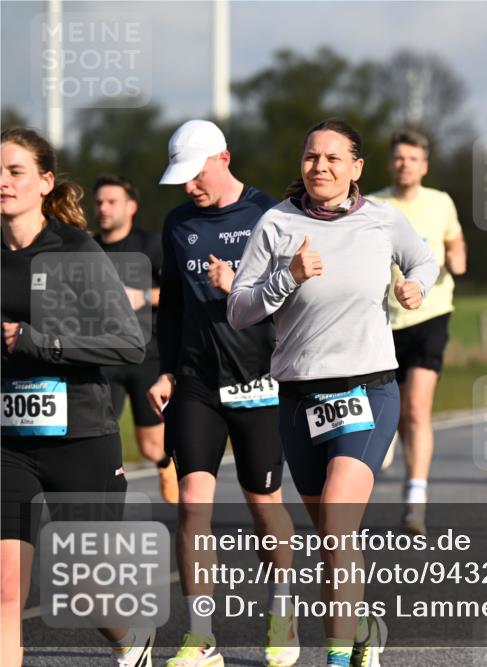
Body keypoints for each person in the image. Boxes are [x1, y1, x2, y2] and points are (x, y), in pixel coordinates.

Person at [228, 118, 437, 667]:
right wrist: (287, 277)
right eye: (311, 156)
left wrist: (417, 286)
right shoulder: (276, 223)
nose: (319, 166)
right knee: (329, 537)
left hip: (368, 390)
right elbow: (239, 309)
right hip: (299, 398)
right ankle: (363, 626)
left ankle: (338, 658)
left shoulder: (382, 219)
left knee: (337, 528)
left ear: (356, 167)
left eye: (333, 158)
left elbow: (423, 259)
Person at [1, 128, 151, 666]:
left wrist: (37, 342)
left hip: (80, 437)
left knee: (84, 586)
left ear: (45, 182)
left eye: (15, 171)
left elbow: (129, 343)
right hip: (8, 444)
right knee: (6, 588)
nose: (2, 182)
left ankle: (130, 639)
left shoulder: (75, 250)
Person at [150, 120, 297, 667]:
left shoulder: (269, 215)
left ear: (224, 158)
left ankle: (282, 613)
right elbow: (171, 307)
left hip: (259, 381)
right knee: (192, 503)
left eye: (197, 175)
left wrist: (239, 286)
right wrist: (165, 371)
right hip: (196, 383)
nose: (190, 187)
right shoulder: (178, 223)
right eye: (182, 179)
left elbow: (296, 297)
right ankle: (201, 636)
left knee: (264, 509)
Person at [370, 129, 466, 536]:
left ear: (424, 166)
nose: (404, 164)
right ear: (389, 163)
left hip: (431, 313)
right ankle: (389, 441)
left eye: (412, 158)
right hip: (383, 320)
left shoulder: (440, 202)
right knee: (392, 409)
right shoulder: (373, 204)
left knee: (416, 408)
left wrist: (457, 258)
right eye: (398, 157)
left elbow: (455, 241)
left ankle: (415, 496)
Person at [93, 174, 178, 504]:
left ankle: (166, 464)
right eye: (99, 202)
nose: (103, 208)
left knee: (151, 447)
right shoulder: (87, 247)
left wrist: (142, 296)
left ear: (131, 207)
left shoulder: (152, 244)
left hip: (146, 355)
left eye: (111, 202)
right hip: (102, 358)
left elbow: (177, 294)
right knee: (97, 433)